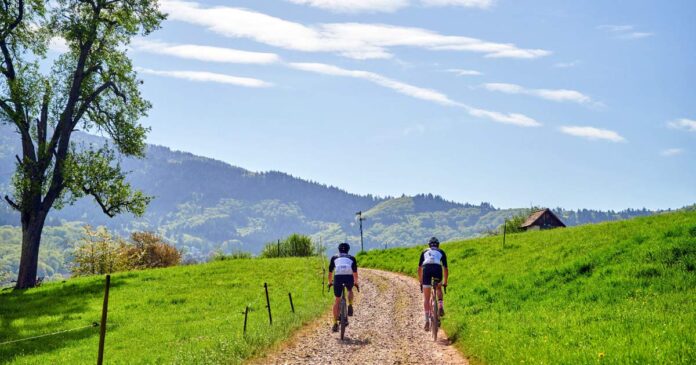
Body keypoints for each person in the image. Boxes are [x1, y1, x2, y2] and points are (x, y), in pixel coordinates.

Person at [418, 236, 448, 331]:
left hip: (426, 269)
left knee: (426, 298)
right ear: (438, 245)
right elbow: (445, 269)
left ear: (429, 245)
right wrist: (445, 282)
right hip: (437, 269)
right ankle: (440, 306)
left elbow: (419, 269)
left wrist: (421, 281)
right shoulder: (441, 252)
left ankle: (427, 320)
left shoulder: (424, 252)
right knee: (438, 288)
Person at [328, 242, 359, 332]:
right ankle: (350, 304)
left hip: (338, 277)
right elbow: (355, 273)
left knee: (337, 300)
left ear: (338, 250)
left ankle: (335, 323)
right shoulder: (352, 258)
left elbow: (330, 273)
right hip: (348, 277)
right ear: (348, 250)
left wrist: (330, 283)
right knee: (349, 290)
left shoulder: (334, 257)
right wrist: (356, 283)